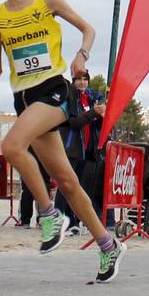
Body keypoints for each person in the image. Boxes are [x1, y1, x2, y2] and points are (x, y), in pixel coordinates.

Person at [0, 0, 126, 283]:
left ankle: (50, 215)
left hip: (53, 89)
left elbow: (88, 29)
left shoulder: (46, 1)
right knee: (67, 180)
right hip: (24, 98)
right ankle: (108, 244)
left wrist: (82, 55)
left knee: (13, 146)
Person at [57, 71, 105, 233]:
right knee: (65, 186)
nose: (82, 82)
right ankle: (57, 221)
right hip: (71, 148)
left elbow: (94, 125)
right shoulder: (69, 97)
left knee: (78, 188)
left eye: (85, 79)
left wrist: (100, 117)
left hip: (87, 149)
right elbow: (73, 122)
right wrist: (93, 113)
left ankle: (73, 221)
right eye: (78, 79)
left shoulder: (91, 99)